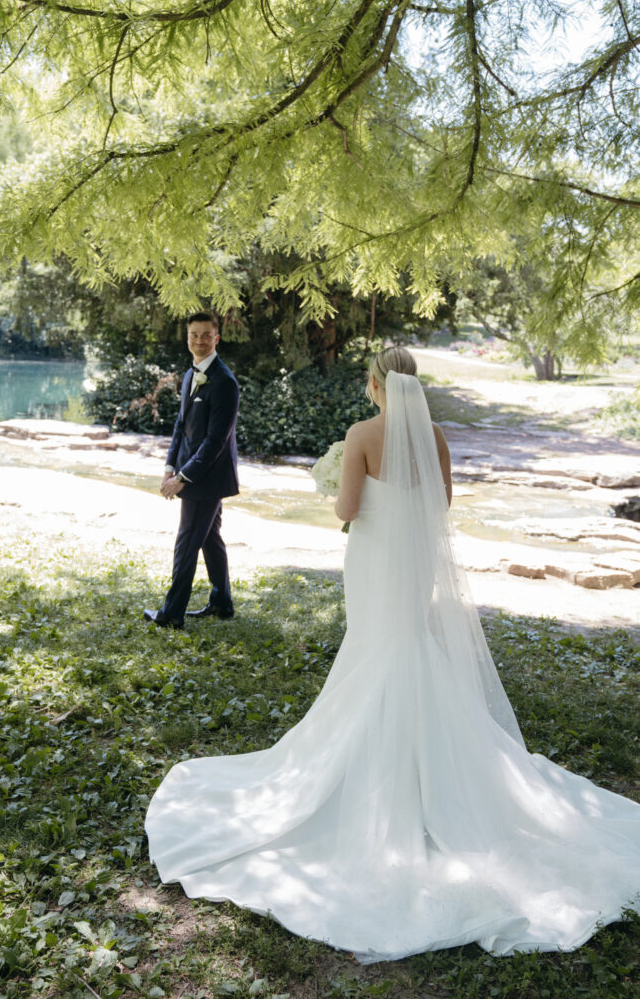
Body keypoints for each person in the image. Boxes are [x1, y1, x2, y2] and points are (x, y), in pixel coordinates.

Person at [145, 347, 640, 961]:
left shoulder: (361, 433)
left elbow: (348, 510)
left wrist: (335, 486)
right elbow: (443, 506)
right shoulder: (433, 437)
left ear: (378, 384)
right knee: (410, 647)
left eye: (369, 380)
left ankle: (379, 775)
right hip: (412, 562)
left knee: (378, 651)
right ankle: (429, 767)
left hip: (375, 557)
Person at [143, 312, 239, 629]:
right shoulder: (190, 375)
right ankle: (222, 603)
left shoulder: (225, 382)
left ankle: (171, 615)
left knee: (187, 543)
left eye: (205, 335)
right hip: (188, 471)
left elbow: (215, 442)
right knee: (210, 539)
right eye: (193, 335)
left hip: (206, 478)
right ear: (188, 338)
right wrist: (170, 467)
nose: (198, 340)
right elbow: (180, 426)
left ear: (217, 338)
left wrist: (183, 478)